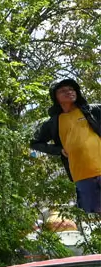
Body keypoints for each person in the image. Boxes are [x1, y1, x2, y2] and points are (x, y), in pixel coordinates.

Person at [31, 78, 101, 214]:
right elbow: (35, 142)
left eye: (71, 89)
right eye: (63, 91)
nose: (69, 92)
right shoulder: (53, 123)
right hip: (82, 174)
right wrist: (59, 150)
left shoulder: (94, 110)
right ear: (55, 97)